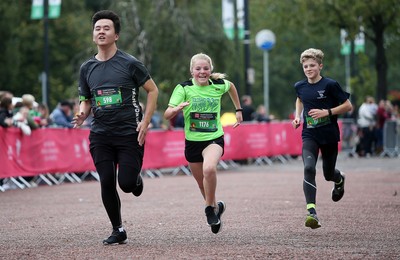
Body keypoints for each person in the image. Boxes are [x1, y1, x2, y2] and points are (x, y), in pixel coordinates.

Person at [72, 10, 159, 245]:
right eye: (97, 28)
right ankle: (117, 228)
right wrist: (82, 113)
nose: (101, 31)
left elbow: (153, 90)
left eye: (106, 28)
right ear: (93, 35)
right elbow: (86, 98)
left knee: (127, 183)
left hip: (129, 133)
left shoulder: (130, 63)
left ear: (116, 35)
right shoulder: (86, 67)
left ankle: (136, 180)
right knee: (106, 180)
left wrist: (146, 120)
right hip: (100, 134)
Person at [164, 53, 242, 234]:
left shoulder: (218, 85)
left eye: (205, 68)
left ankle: (208, 209)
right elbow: (167, 114)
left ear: (210, 70)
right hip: (192, 142)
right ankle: (216, 208)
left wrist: (238, 109)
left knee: (209, 169)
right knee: (201, 183)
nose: (202, 72)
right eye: (198, 69)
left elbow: (231, 87)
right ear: (192, 71)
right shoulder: (183, 88)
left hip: (214, 138)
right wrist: (175, 109)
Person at [291, 48, 352, 229]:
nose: (308, 69)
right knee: (309, 168)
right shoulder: (299, 86)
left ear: (320, 66)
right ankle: (312, 212)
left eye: (312, 65)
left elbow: (348, 105)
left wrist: (327, 112)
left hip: (329, 135)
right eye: (305, 66)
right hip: (309, 134)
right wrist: (297, 117)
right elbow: (300, 99)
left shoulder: (330, 85)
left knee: (328, 174)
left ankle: (339, 179)